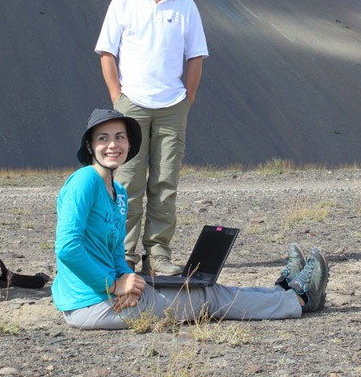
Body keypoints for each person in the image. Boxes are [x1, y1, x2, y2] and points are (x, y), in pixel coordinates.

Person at [52, 109, 329, 330]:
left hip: (112, 294)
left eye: (120, 137)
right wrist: (112, 285)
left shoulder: (120, 193)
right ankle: (301, 299)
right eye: (103, 138)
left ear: (129, 143)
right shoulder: (84, 181)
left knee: (203, 287)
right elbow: (67, 247)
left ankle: (282, 292)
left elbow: (114, 250)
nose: (112, 145)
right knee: (206, 298)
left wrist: (127, 278)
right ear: (90, 145)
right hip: (90, 304)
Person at [95, 0, 209, 276]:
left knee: (164, 181)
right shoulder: (122, 2)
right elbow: (107, 53)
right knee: (127, 182)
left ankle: (157, 254)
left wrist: (187, 98)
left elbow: (196, 56)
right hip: (132, 104)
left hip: (172, 103)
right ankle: (125, 254)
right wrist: (118, 97)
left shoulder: (185, 6)